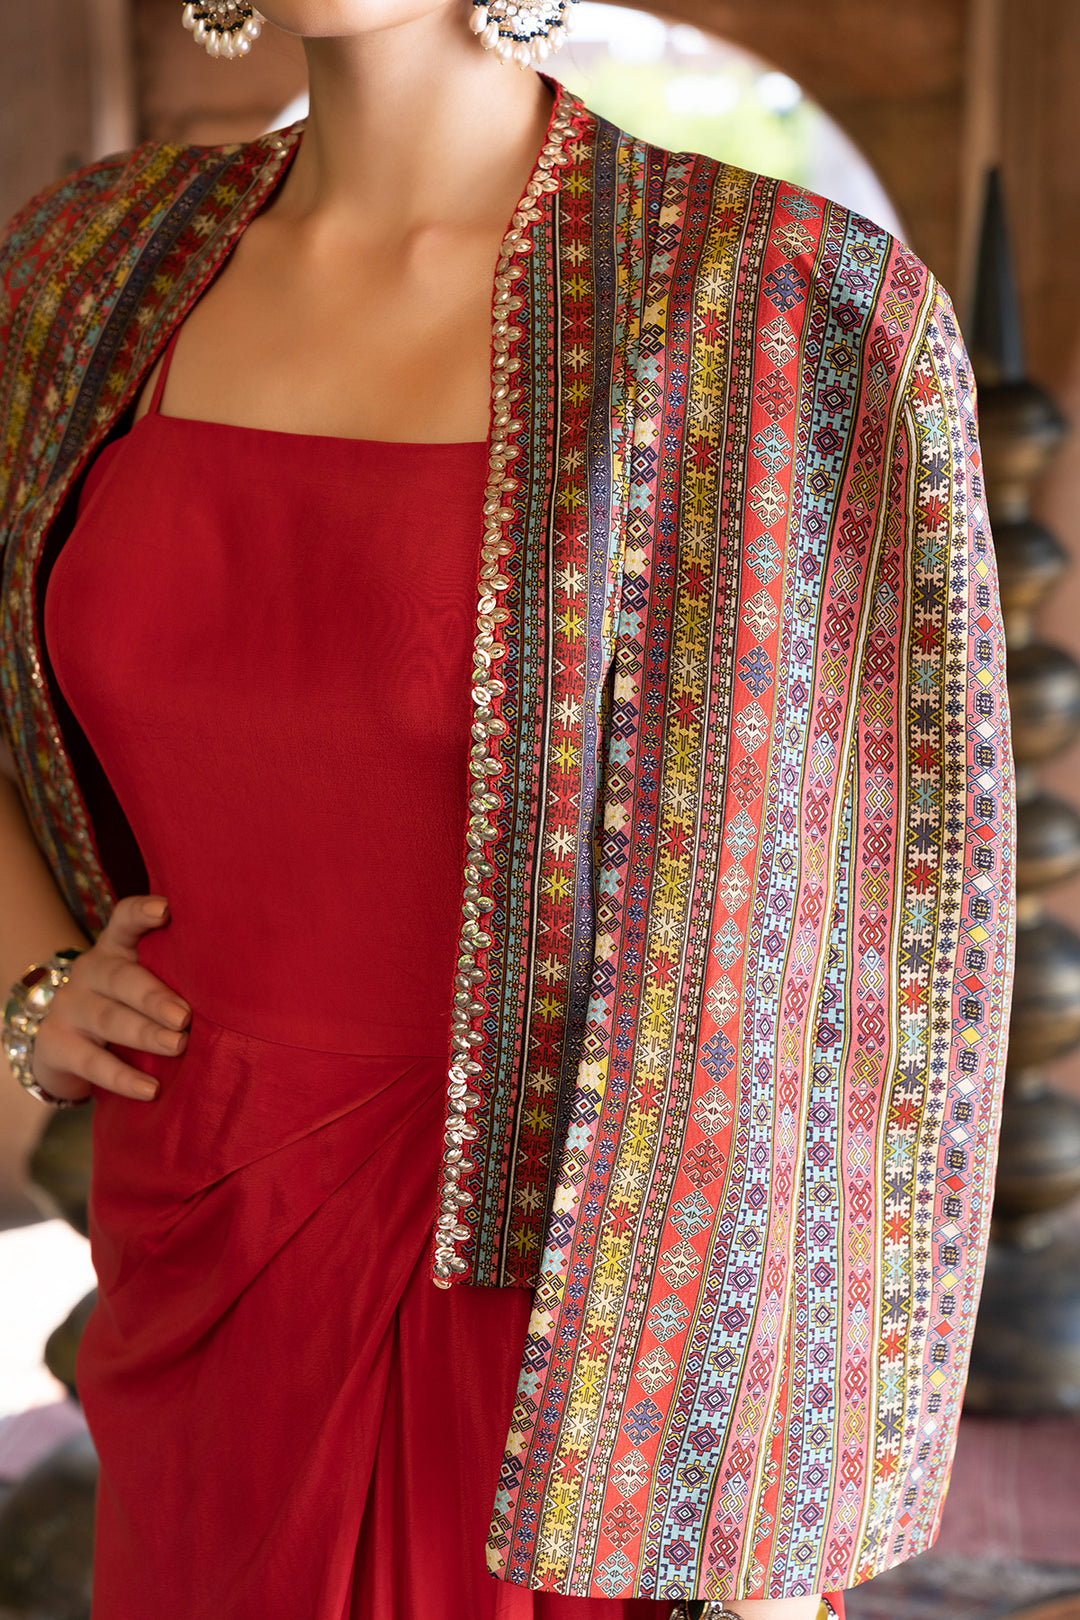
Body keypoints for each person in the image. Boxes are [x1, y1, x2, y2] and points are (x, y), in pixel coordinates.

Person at [0, 1, 1015, 1617]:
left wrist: (763, 1534)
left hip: (562, 1299)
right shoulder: (87, 274)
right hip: (193, 1223)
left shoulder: (751, 295)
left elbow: (850, 945)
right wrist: (33, 973)